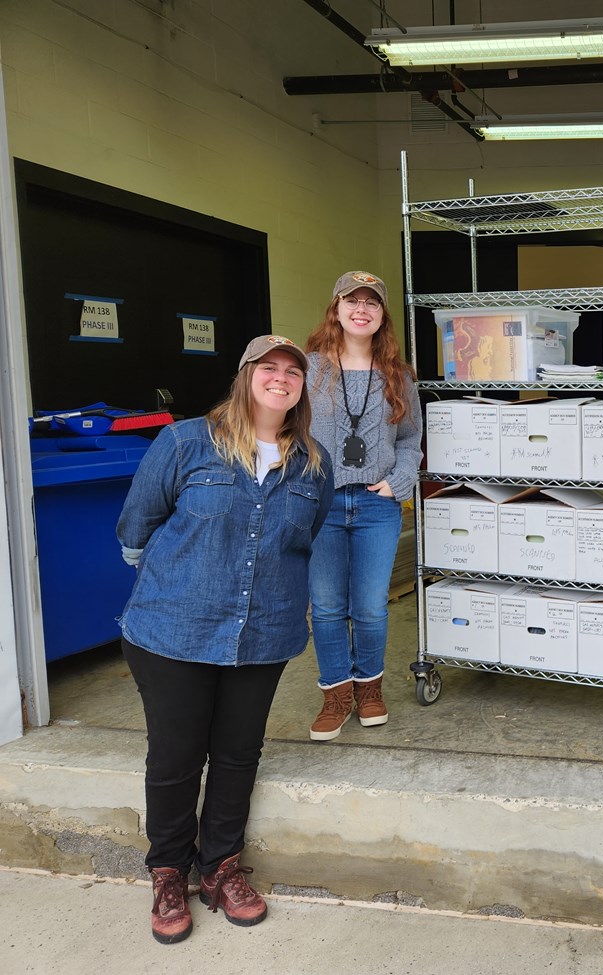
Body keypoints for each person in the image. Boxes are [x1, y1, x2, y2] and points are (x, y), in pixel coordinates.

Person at [117, 335, 333, 943]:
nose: (282, 378)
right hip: (173, 629)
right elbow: (137, 527)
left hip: (264, 630)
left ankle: (221, 868)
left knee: (239, 753)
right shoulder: (185, 441)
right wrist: (186, 580)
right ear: (245, 377)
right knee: (176, 756)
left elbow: (305, 536)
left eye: (293, 371)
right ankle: (168, 872)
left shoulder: (313, 461)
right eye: (269, 367)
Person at [304, 271, 421, 741]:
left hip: (376, 504)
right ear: (335, 309)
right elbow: (283, 429)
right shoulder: (309, 369)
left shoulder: (398, 374)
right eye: (351, 300)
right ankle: (336, 693)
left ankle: (369, 690)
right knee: (328, 606)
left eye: (371, 302)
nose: (361, 308)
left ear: (381, 316)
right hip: (321, 504)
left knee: (371, 606)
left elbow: (411, 437)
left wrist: (399, 481)